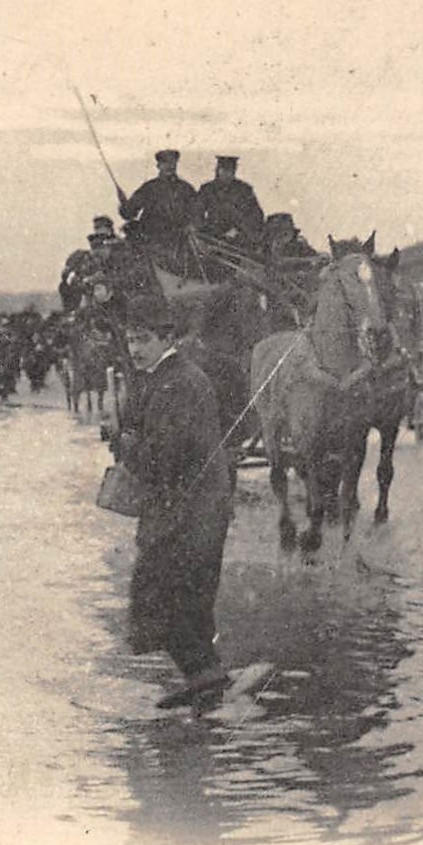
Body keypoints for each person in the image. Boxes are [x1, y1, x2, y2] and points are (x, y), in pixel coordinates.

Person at [112, 294, 234, 709]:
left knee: (165, 595)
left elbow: (164, 457)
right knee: (183, 597)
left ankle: (205, 678)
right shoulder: (164, 377)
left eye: (142, 339)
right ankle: (206, 677)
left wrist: (124, 444)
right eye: (130, 340)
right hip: (191, 509)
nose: (134, 349)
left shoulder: (178, 382)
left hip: (190, 512)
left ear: (166, 338)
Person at [118, 150, 197, 246]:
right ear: (158, 166)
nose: (169, 166)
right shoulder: (149, 188)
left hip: (179, 243)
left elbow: (196, 214)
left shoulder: (186, 189)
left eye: (172, 163)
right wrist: (123, 202)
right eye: (165, 162)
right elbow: (128, 213)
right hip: (152, 242)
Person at [196, 155, 265, 247]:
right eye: (223, 170)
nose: (227, 174)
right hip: (212, 238)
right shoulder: (207, 189)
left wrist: (239, 230)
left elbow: (256, 215)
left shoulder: (244, 190)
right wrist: (205, 232)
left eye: (230, 171)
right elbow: (196, 213)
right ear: (217, 170)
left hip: (237, 239)